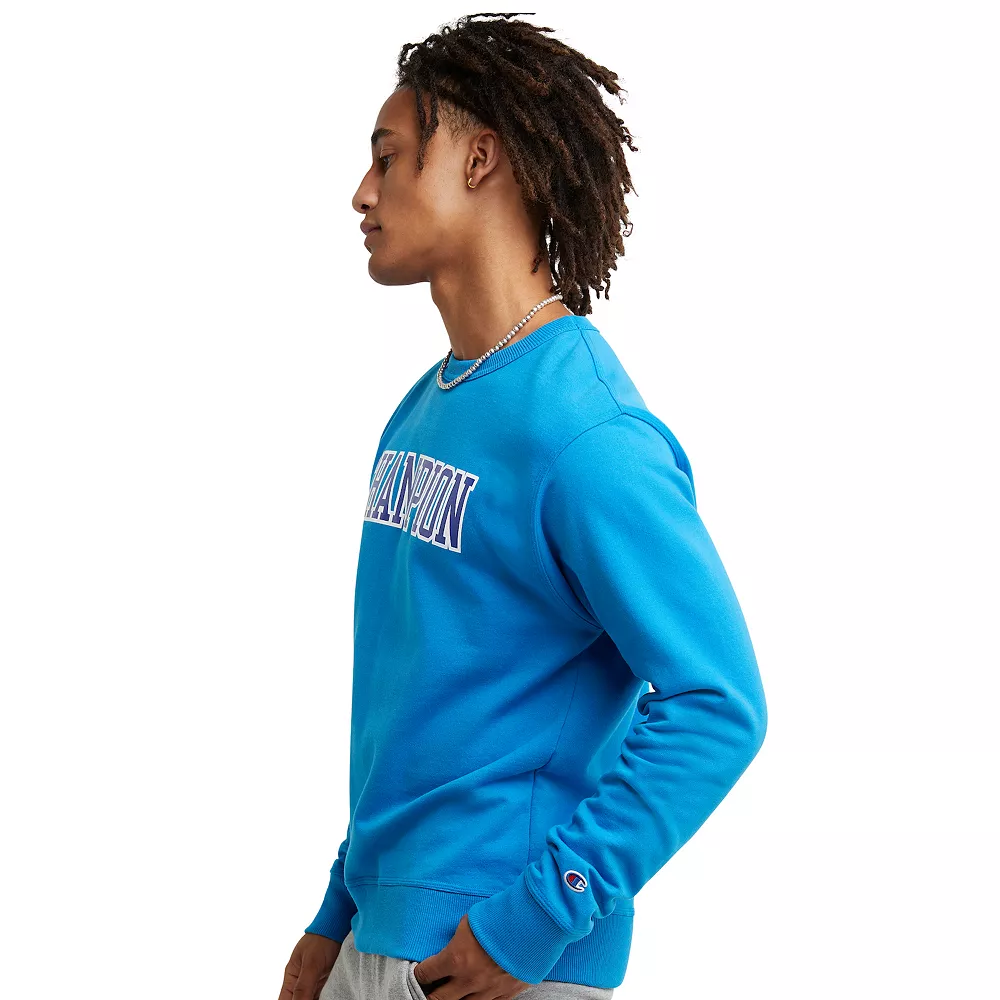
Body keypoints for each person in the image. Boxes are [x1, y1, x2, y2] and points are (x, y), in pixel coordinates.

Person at [278, 13, 767, 1000]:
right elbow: (417, 703)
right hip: (377, 937)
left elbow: (718, 702)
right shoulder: (428, 405)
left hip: (495, 955)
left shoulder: (587, 433)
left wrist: (537, 916)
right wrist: (338, 911)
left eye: (388, 157)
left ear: (479, 160)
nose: (362, 192)